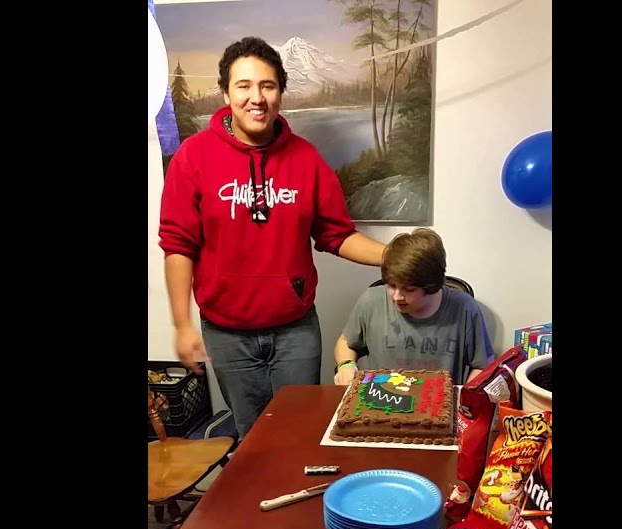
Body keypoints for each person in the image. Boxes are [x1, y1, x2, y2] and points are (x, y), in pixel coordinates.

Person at [158, 36, 387, 439]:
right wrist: (181, 324)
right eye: (243, 86)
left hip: (295, 330)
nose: (256, 97)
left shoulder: (307, 159)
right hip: (226, 334)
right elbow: (178, 245)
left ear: (280, 92)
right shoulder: (193, 157)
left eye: (267, 85)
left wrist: (393, 255)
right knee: (252, 438)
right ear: (226, 93)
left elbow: (337, 235)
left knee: (300, 433)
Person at [333, 228, 495, 386]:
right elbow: (346, 341)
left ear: (432, 286)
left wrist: (466, 397)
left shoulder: (465, 308)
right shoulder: (371, 301)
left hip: (439, 405)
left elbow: (482, 366)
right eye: (391, 285)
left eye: (409, 289)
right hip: (382, 401)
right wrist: (346, 365)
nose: (397, 296)